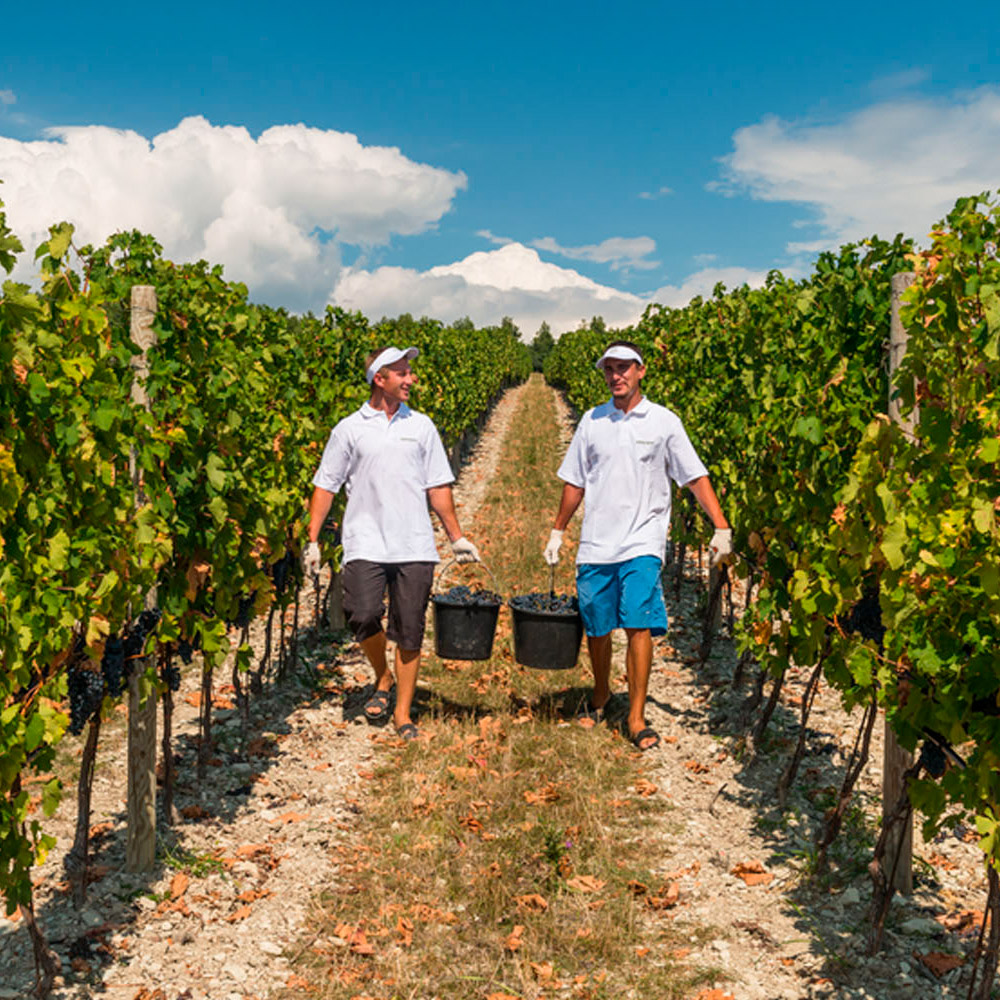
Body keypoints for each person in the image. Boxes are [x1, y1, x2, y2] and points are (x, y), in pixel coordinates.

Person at [544, 340, 731, 751]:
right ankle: (601, 693)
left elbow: (693, 477)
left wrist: (720, 525)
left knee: (637, 621)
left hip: (643, 540)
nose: (616, 376)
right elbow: (575, 481)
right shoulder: (592, 422)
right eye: (609, 369)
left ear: (641, 370)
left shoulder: (663, 422)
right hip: (596, 541)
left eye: (624, 367)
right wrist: (558, 529)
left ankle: (636, 716)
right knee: (596, 623)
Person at [303, 345, 480, 740]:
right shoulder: (349, 428)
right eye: (402, 372)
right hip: (364, 541)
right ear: (379, 379)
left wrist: (456, 537)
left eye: (410, 372)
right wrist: (312, 539)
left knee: (410, 630)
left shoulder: (422, 427)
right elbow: (325, 484)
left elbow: (438, 486)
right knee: (360, 613)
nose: (410, 379)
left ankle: (402, 712)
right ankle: (383, 676)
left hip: (414, 544)